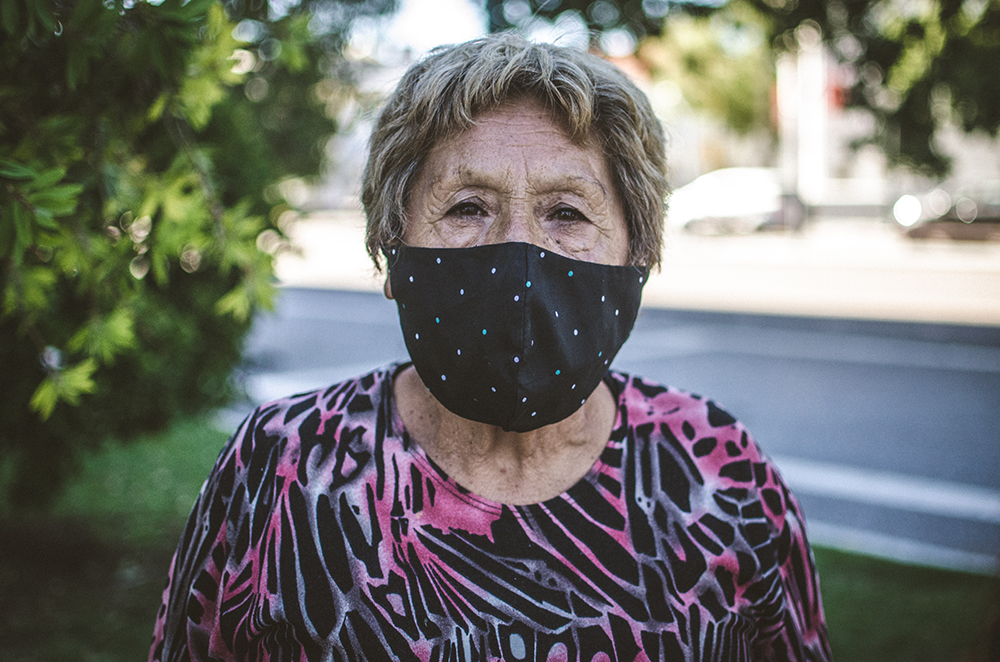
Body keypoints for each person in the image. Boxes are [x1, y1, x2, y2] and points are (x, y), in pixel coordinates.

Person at [150, 33, 831, 662]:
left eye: (567, 212)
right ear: (392, 249)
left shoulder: (721, 474)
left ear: (639, 255)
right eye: (467, 207)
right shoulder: (283, 467)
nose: (521, 254)